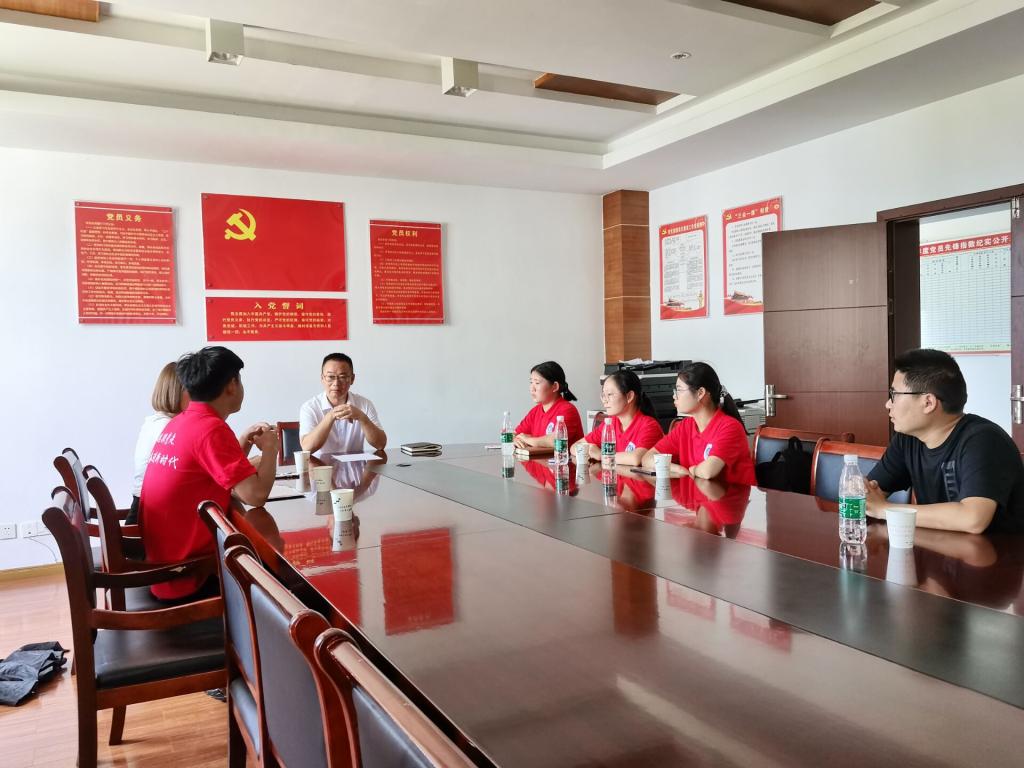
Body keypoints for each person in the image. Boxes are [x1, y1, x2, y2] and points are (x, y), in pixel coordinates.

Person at [140, 346, 279, 601]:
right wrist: (271, 448)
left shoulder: (181, 422)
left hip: (164, 567)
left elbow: (210, 472)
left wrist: (243, 442)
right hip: (190, 576)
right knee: (282, 578)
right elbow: (255, 496)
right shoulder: (211, 429)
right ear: (232, 385)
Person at [866, 348, 1024, 534]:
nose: (888, 404)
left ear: (928, 403)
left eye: (894, 394)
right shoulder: (908, 439)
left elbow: (973, 519)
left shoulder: (984, 440)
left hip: (999, 551)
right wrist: (862, 492)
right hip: (939, 547)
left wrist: (885, 510)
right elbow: (869, 494)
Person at [642, 362, 756, 485]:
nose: (674, 396)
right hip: (699, 494)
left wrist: (692, 470)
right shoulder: (685, 426)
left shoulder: (730, 427)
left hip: (729, 496)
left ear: (700, 393)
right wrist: (678, 469)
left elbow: (708, 472)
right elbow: (647, 458)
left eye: (679, 390)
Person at [128, 362, 188, 524]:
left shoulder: (153, 422)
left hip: (143, 511)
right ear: (178, 392)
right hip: (148, 520)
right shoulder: (168, 427)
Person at [300, 353, 386, 456]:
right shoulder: (310, 407)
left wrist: (362, 417)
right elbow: (307, 448)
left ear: (352, 379)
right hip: (320, 465)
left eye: (342, 377)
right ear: (322, 378)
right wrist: (331, 416)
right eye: (330, 377)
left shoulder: (364, 404)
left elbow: (381, 444)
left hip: (355, 465)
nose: (336, 383)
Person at [573, 370, 663, 466]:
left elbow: (636, 458)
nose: (604, 401)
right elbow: (575, 446)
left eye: (610, 394)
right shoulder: (611, 423)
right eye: (603, 395)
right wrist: (590, 449)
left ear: (629, 396)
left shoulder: (649, 426)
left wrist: (601, 455)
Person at [514, 361, 584, 448]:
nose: (532, 388)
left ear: (555, 386)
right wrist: (515, 439)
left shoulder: (568, 410)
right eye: (531, 382)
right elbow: (515, 434)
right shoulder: (535, 411)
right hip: (540, 457)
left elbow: (556, 440)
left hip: (563, 457)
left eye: (537, 383)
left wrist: (527, 439)